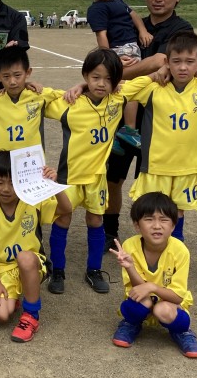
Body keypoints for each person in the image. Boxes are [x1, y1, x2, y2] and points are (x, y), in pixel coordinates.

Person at [103, 0, 193, 248]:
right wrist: (121, 67)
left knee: (156, 184)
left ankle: (161, 238)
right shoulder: (132, 25)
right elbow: (104, 60)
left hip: (160, 122)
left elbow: (159, 62)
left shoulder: (182, 29)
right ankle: (109, 232)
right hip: (123, 114)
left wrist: (118, 72)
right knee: (113, 178)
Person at [44, 49, 148, 295]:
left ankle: (94, 269)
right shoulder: (69, 102)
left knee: (96, 220)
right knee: (63, 219)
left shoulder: (119, 99)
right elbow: (38, 98)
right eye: (95, 77)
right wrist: (34, 85)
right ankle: (57, 269)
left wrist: (162, 71)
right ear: (86, 76)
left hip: (97, 178)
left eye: (109, 79)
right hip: (69, 176)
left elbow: (153, 72)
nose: (102, 84)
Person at [127, 31, 197, 242]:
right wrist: (154, 73)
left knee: (178, 211)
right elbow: (124, 90)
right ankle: (150, 251)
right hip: (156, 165)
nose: (183, 67)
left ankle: (174, 251)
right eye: (176, 62)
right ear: (167, 62)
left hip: (188, 166)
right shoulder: (154, 87)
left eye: (190, 62)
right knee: (151, 211)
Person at [0, 150, 56, 343]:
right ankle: (18, 294)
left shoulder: (33, 201)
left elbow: (66, 209)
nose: (6, 189)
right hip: (4, 268)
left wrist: (54, 186)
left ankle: (31, 315)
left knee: (25, 258)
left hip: (33, 264)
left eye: (12, 182)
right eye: (0, 182)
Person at [109, 192, 197, 358]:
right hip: (143, 298)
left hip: (169, 302)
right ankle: (132, 324)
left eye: (164, 219)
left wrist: (152, 286)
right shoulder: (130, 245)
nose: (157, 225)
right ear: (137, 225)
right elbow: (138, 289)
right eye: (149, 219)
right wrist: (130, 267)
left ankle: (181, 332)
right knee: (137, 304)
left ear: (173, 226)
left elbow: (178, 297)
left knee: (163, 310)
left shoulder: (180, 250)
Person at [83, 0, 154, 156]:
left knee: (118, 92)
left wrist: (142, 31)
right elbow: (102, 36)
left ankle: (113, 132)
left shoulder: (118, 0)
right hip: (119, 50)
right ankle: (128, 129)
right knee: (129, 89)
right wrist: (110, 59)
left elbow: (134, 16)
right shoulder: (96, 9)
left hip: (131, 47)